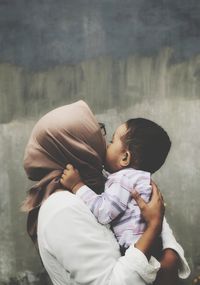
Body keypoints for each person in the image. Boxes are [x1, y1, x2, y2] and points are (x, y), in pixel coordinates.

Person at [22, 100, 190, 285]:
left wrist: (167, 252)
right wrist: (155, 229)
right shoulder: (63, 209)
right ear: (78, 147)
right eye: (95, 137)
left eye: (107, 138)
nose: (103, 144)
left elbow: (154, 216)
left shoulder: (104, 180)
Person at [60, 118, 171, 257]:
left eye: (112, 142)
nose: (107, 145)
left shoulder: (123, 180)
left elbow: (104, 212)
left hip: (134, 248)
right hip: (150, 246)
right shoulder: (137, 178)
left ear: (125, 158)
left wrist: (77, 185)